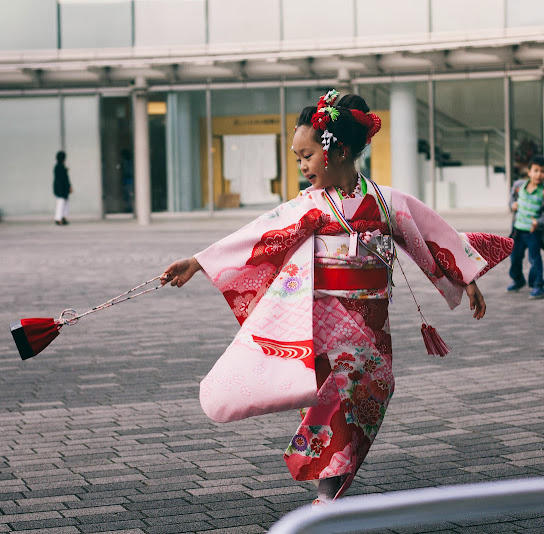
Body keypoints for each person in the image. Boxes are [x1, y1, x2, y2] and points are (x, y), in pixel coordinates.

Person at [160, 90, 512, 506]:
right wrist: (200, 262)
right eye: (298, 158)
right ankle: (329, 488)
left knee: (373, 388)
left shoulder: (387, 201)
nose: (302, 166)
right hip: (321, 321)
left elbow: (431, 235)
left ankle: (332, 479)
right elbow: (257, 237)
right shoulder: (308, 206)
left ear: (338, 151)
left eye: (307, 156)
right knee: (329, 395)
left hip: (370, 323)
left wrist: (465, 275)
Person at [507, 155, 544, 299]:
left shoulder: (542, 191)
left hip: (532, 232)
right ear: (529, 172)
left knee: (534, 259)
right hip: (517, 230)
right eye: (536, 170)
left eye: (542, 171)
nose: (539, 174)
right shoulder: (519, 186)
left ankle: (538, 285)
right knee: (515, 257)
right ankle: (518, 280)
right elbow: (512, 198)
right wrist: (512, 205)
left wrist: (538, 222)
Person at [53, 150, 71, 226]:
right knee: (61, 203)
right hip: (61, 188)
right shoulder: (60, 167)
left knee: (64, 202)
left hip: (61, 188)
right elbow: (63, 179)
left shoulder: (58, 166)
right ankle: (59, 218)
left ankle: (63, 217)